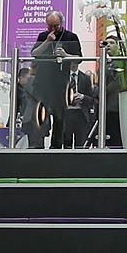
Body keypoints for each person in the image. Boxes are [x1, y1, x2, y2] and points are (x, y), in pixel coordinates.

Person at [29, 10, 82, 149]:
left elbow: (80, 58)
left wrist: (66, 55)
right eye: (49, 26)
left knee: (60, 116)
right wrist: (47, 41)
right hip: (42, 82)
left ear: (61, 23)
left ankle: (56, 147)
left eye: (56, 26)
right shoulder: (43, 36)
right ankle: (37, 145)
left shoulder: (71, 36)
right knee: (39, 114)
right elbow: (34, 53)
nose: (52, 29)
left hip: (61, 83)